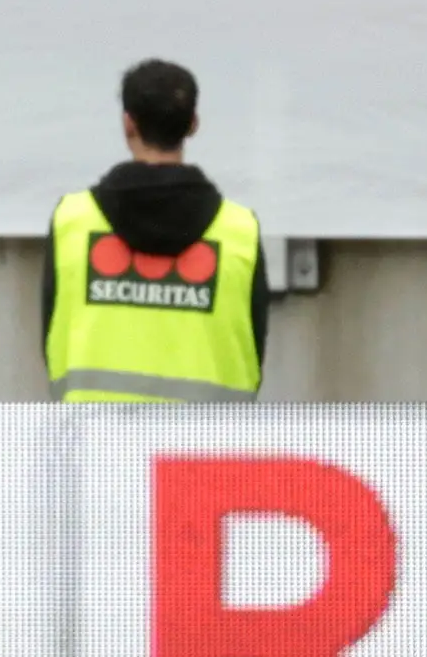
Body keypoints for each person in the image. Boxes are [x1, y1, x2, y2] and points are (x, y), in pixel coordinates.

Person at [42, 60, 266, 406]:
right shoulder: (239, 232)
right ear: (193, 124)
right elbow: (255, 347)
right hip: (202, 450)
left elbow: (50, 336)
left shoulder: (73, 221)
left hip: (96, 447)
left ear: (127, 123)